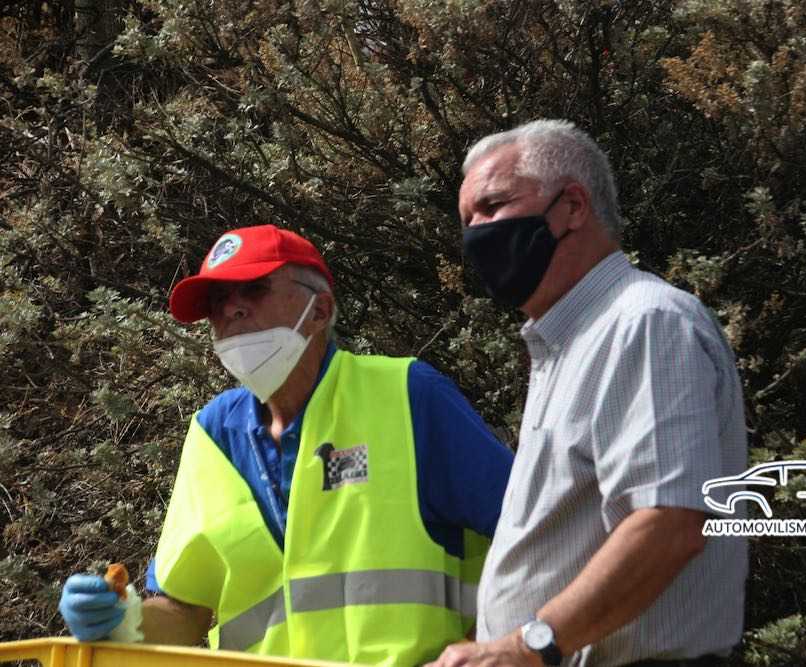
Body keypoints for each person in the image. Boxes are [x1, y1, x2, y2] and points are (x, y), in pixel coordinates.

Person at [59, 225, 514, 666]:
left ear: (320, 310)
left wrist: (491, 648)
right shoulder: (211, 434)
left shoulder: (407, 396)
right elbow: (185, 611)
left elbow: (533, 530)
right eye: (216, 301)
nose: (230, 309)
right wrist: (121, 619)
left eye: (253, 289)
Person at [432, 120, 748, 666]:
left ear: (573, 206)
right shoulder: (568, 343)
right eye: (468, 220)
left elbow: (667, 525)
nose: (477, 233)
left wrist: (526, 648)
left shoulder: (644, 323)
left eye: (492, 206)